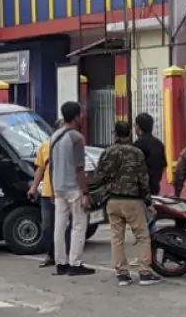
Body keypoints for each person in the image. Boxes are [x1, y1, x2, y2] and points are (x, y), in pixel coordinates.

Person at [93, 121, 161, 286]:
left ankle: (122, 274)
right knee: (142, 236)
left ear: (115, 133)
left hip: (113, 200)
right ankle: (144, 272)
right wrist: (148, 201)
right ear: (129, 133)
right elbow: (143, 180)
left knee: (117, 238)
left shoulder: (107, 152)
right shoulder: (137, 153)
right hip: (133, 201)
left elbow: (99, 176)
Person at [50, 101, 95, 276]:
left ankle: (60, 263)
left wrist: (53, 188)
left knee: (59, 226)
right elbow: (79, 168)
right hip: (73, 188)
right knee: (78, 225)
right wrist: (85, 193)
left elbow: (51, 165)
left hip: (58, 186)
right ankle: (75, 263)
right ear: (77, 116)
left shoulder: (54, 136)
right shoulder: (76, 138)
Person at [28, 119, 71, 268]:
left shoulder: (70, 146)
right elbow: (40, 169)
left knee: (65, 226)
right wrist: (34, 187)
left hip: (64, 192)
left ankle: (66, 256)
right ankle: (51, 254)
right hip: (47, 193)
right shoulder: (45, 147)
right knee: (48, 227)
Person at [133, 113, 167, 196]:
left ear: (138, 127)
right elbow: (163, 166)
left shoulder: (137, 145)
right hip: (155, 187)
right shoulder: (159, 144)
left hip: (140, 190)